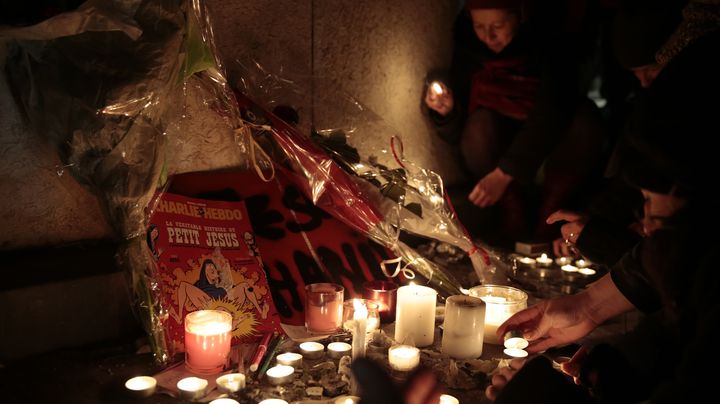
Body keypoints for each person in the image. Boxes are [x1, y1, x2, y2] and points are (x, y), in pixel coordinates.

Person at [486, 24, 720, 403]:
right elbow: (673, 327)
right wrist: (597, 334)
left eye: (650, 204)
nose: (645, 224)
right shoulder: (699, 255)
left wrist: (544, 397)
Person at [424, 0, 607, 244]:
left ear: (521, 15)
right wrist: (447, 113)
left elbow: (553, 111)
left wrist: (505, 173)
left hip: (548, 146)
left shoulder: (550, 43)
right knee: (480, 125)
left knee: (585, 118)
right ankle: (512, 218)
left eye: (498, 25)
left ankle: (550, 218)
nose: (488, 36)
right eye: (479, 26)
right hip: (498, 147)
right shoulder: (469, 47)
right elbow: (462, 132)